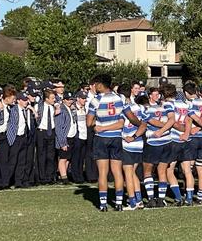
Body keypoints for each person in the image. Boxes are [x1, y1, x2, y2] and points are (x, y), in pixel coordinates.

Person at [86, 73, 142, 212]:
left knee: (103, 173)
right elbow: (130, 117)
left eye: (95, 84)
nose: (94, 87)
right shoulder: (120, 98)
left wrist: (97, 125)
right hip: (116, 138)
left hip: (101, 138)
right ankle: (118, 203)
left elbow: (88, 122)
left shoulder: (96, 100)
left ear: (100, 84)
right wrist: (140, 124)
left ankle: (103, 204)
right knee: (117, 172)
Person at [141, 87, 175, 208]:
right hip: (162, 140)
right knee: (155, 170)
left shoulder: (165, 105)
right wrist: (166, 128)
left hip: (157, 141)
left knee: (153, 170)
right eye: (154, 94)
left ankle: (157, 199)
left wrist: (161, 131)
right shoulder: (145, 107)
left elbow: (171, 119)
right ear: (149, 96)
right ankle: (154, 199)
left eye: (158, 94)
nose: (157, 96)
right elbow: (154, 121)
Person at [36, 89, 60, 185]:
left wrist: (56, 105)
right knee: (41, 155)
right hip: (41, 132)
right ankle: (42, 177)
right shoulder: (39, 106)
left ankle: (49, 177)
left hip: (51, 132)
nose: (54, 100)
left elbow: (58, 101)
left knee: (51, 156)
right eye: (52, 98)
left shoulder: (54, 106)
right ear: (46, 99)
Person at [55, 92, 75, 185]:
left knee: (67, 158)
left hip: (71, 136)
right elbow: (59, 127)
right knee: (63, 158)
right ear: (64, 100)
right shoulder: (62, 109)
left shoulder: (69, 108)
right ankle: (63, 177)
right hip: (65, 137)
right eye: (68, 99)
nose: (70, 101)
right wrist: (62, 142)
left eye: (71, 99)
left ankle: (64, 175)